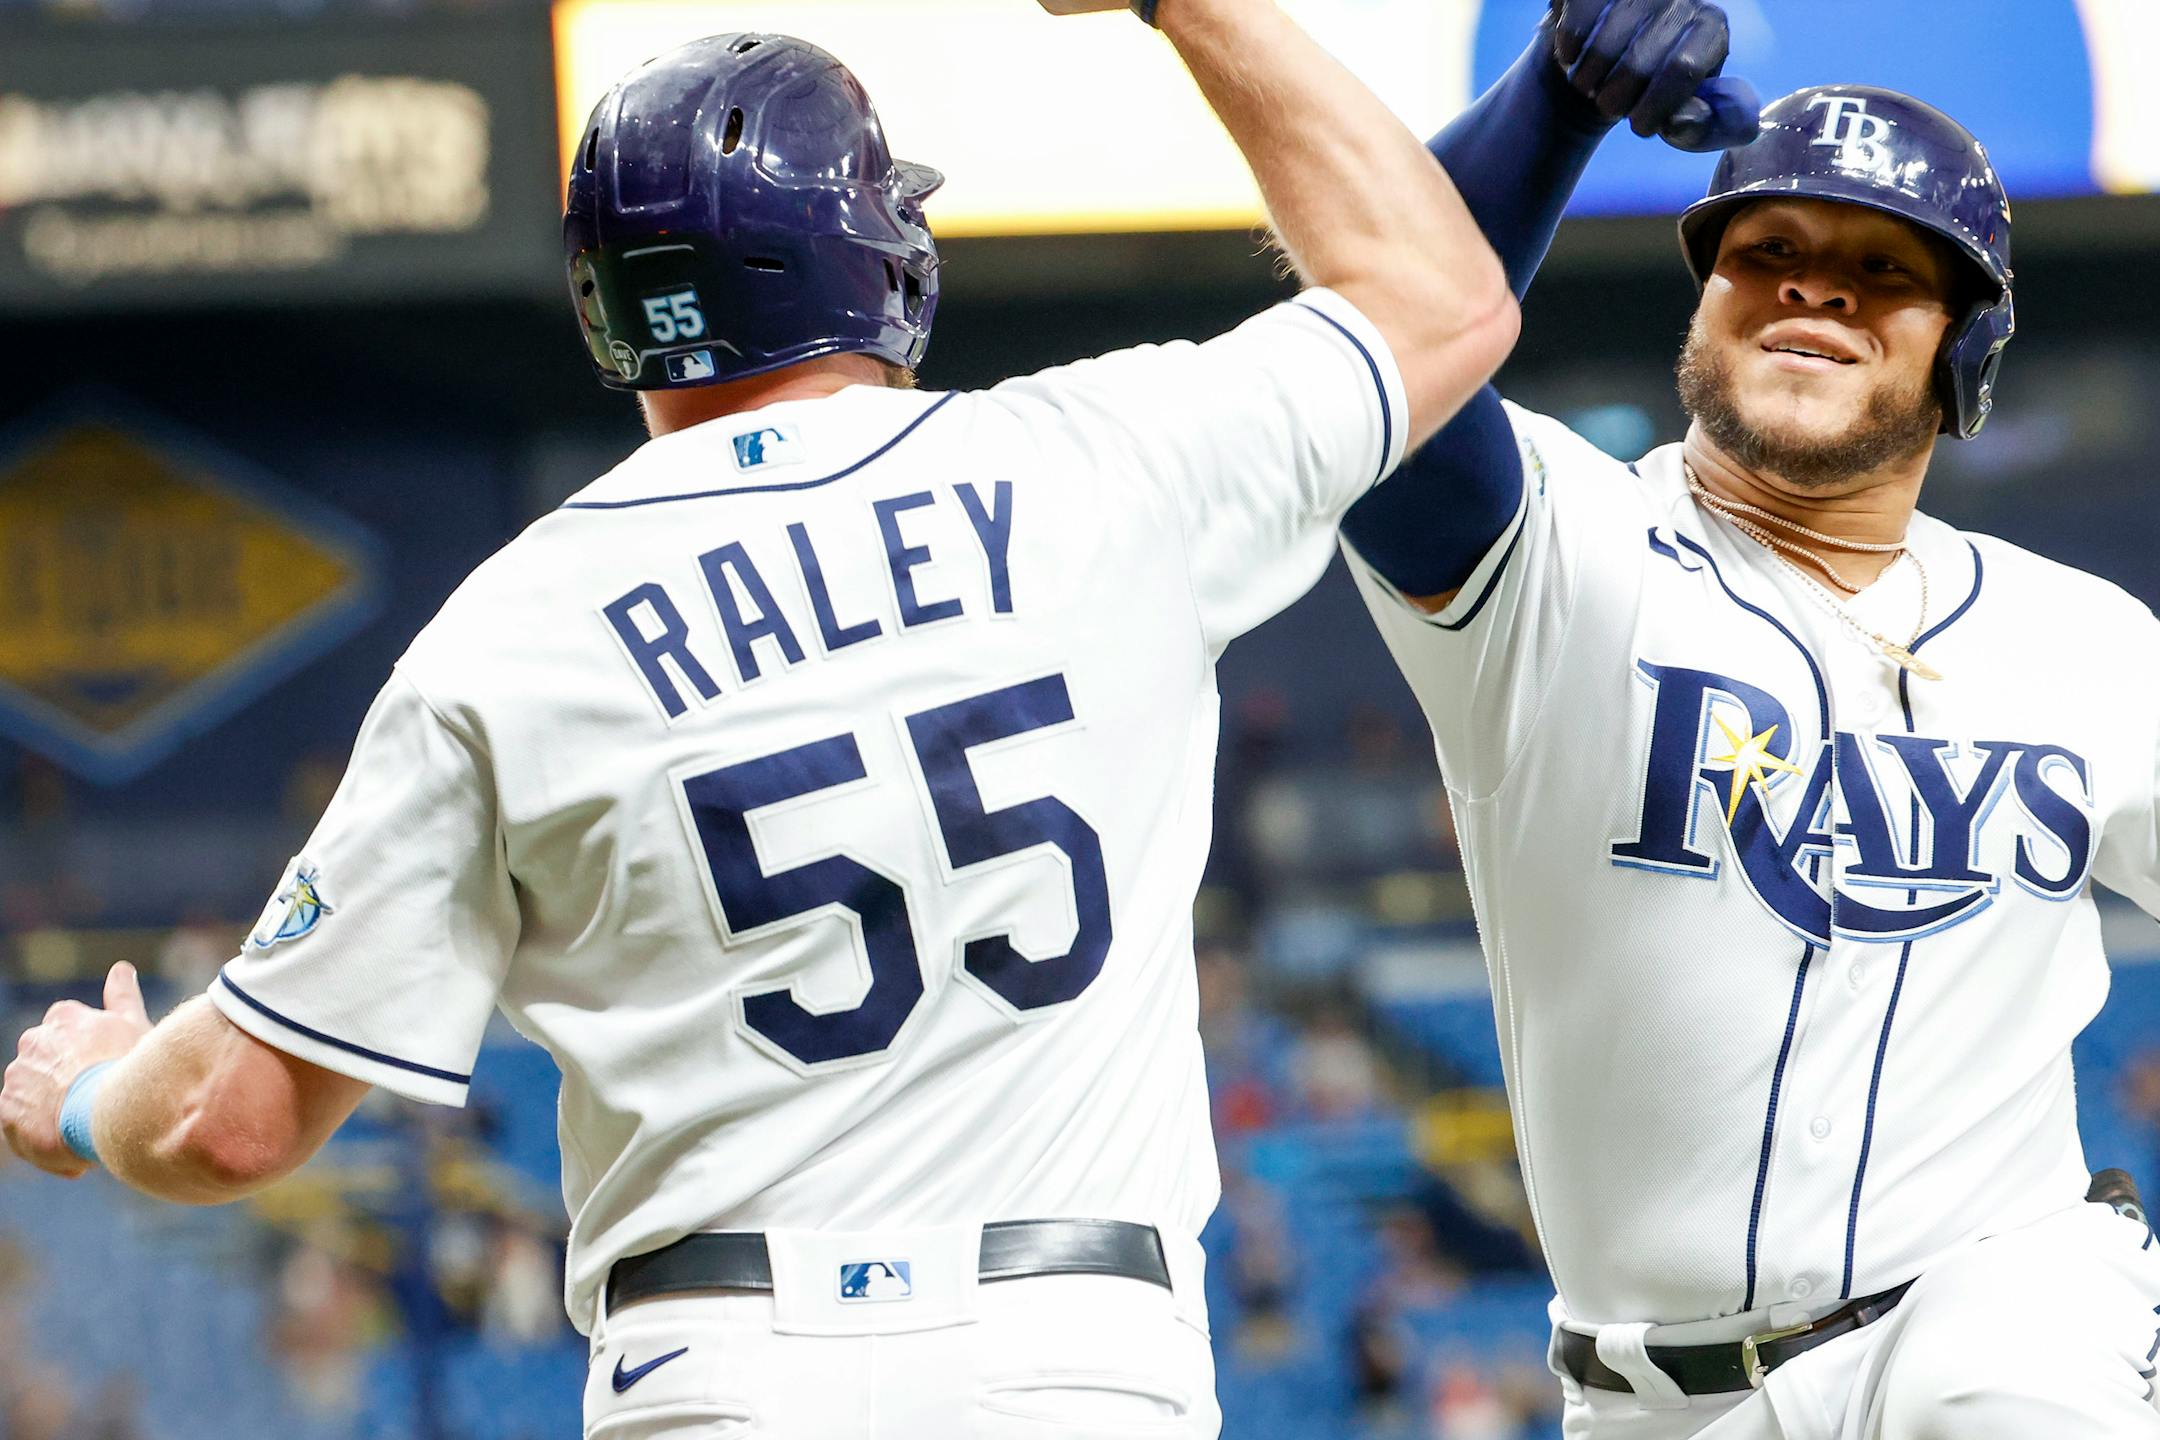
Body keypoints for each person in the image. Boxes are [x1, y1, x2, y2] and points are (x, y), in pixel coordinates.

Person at [0, 2, 1521, 1435]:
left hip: (722, 1370)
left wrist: (84, 1106)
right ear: (878, 259)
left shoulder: (508, 635)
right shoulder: (1100, 464)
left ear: (608, 309)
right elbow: (1438, 290)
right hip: (1080, 1356)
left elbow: (229, 1126)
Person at [1338, 1, 2160, 1435]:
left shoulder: (2088, 641)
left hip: (2000, 1302)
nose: (1815, 289)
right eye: (1765, 254)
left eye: (1882, 270)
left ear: (1964, 355)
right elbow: (1377, 359)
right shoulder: (1559, 551)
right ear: (1704, 312)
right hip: (1651, 1392)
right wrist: (1555, 104)